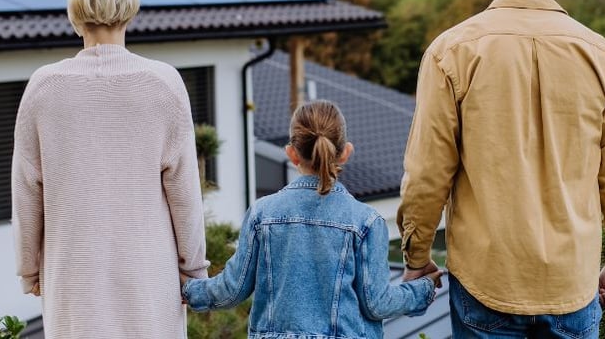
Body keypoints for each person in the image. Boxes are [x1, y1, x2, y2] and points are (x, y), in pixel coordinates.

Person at [397, 0, 605, 338]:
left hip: (487, 281)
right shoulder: (604, 58)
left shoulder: (451, 53)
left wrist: (417, 257)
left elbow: (426, 174)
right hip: (571, 284)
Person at [11, 0, 208, 338]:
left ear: (75, 12)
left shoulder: (43, 87)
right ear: (129, 9)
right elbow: (185, 194)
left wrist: (29, 269)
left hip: (72, 278)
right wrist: (193, 269)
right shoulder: (164, 84)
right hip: (149, 279)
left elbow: (26, 190)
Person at [183, 100, 442, 338]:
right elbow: (378, 303)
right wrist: (423, 289)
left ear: (291, 153)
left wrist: (187, 288)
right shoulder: (366, 221)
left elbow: (231, 290)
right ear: (345, 152)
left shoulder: (262, 214)